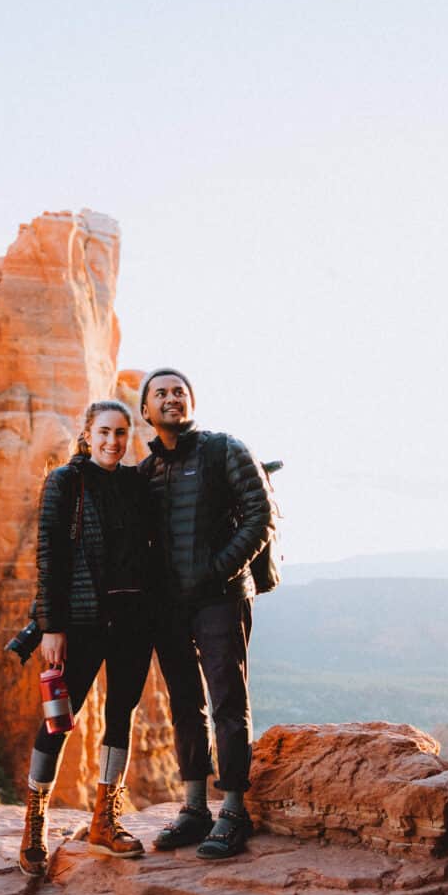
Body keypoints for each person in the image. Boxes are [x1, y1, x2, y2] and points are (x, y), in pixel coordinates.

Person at [138, 367, 273, 860]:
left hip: (221, 597)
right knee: (185, 706)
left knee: (227, 702)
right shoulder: (148, 471)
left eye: (180, 392)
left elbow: (261, 515)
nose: (172, 398)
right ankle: (194, 809)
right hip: (169, 605)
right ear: (146, 411)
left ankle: (234, 809)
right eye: (161, 393)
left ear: (191, 402)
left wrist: (216, 571)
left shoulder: (223, 450)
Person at [19, 400, 154, 878]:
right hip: (80, 623)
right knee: (59, 718)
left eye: (121, 432)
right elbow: (49, 557)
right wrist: (52, 626)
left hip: (134, 623)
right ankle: (36, 821)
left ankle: (104, 822)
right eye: (104, 431)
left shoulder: (138, 483)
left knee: (121, 716)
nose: (113, 441)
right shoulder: (65, 482)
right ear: (87, 432)